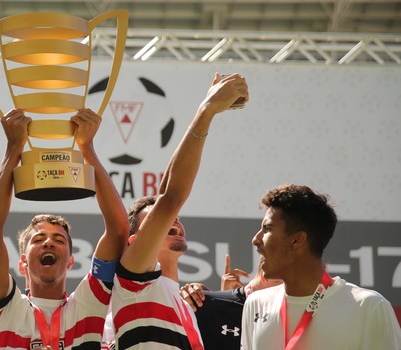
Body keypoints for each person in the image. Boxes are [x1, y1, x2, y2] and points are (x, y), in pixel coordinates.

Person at [110, 73, 249, 349]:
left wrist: (222, 299)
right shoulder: (133, 281)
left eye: (177, 220)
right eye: (160, 222)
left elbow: (165, 196)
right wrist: (206, 111)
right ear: (135, 242)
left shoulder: (185, 301)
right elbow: (169, 197)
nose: (174, 222)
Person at [0, 108, 129, 349]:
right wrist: (14, 148)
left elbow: (119, 230)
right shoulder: (7, 306)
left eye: (59, 240)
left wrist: (87, 148)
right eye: (38, 239)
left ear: (70, 260)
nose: (48, 242)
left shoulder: (88, 302)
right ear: (22, 262)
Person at [241, 184, 401, 350]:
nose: (255, 239)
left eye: (267, 229)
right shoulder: (255, 304)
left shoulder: (369, 307)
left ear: (297, 240)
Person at [179, 255, 281, 350]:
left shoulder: (289, 314)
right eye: (290, 280)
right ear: (266, 273)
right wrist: (223, 299)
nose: (294, 290)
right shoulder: (201, 303)